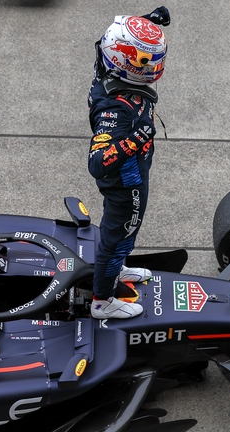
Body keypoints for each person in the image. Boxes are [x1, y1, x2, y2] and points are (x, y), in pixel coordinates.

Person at [87, 7, 171, 319]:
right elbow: (97, 162)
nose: (155, 64)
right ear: (128, 62)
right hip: (125, 184)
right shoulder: (115, 111)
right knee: (119, 237)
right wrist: (139, 137)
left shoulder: (107, 66)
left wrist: (146, 23)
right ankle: (102, 301)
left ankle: (117, 268)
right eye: (148, 58)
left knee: (124, 236)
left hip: (134, 174)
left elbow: (109, 42)